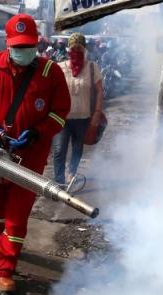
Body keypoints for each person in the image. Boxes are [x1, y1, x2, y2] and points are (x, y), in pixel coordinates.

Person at [0, 13, 71, 293]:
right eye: (18, 47)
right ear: (8, 43)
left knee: (17, 212)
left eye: (28, 47)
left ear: (36, 44)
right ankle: (2, 245)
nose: (23, 52)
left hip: (31, 156)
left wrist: (38, 132)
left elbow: (61, 112)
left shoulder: (51, 72)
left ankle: (4, 269)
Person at [52, 33, 103, 186]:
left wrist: (97, 113)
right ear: (68, 50)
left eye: (79, 48)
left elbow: (100, 90)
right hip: (62, 118)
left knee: (77, 148)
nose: (76, 52)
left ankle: (71, 173)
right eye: (73, 48)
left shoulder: (92, 68)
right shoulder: (59, 67)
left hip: (83, 117)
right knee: (59, 149)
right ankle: (59, 181)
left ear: (85, 49)